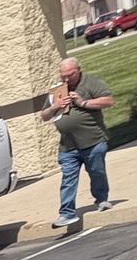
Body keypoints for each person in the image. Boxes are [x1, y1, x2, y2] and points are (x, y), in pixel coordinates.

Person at [41, 57, 115, 228]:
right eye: (63, 76)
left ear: (78, 71)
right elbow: (44, 116)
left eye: (70, 75)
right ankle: (66, 213)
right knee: (68, 178)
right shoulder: (57, 89)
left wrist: (83, 102)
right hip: (68, 146)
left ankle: (102, 199)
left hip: (93, 141)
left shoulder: (91, 83)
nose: (66, 79)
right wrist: (55, 106)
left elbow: (109, 101)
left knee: (97, 172)